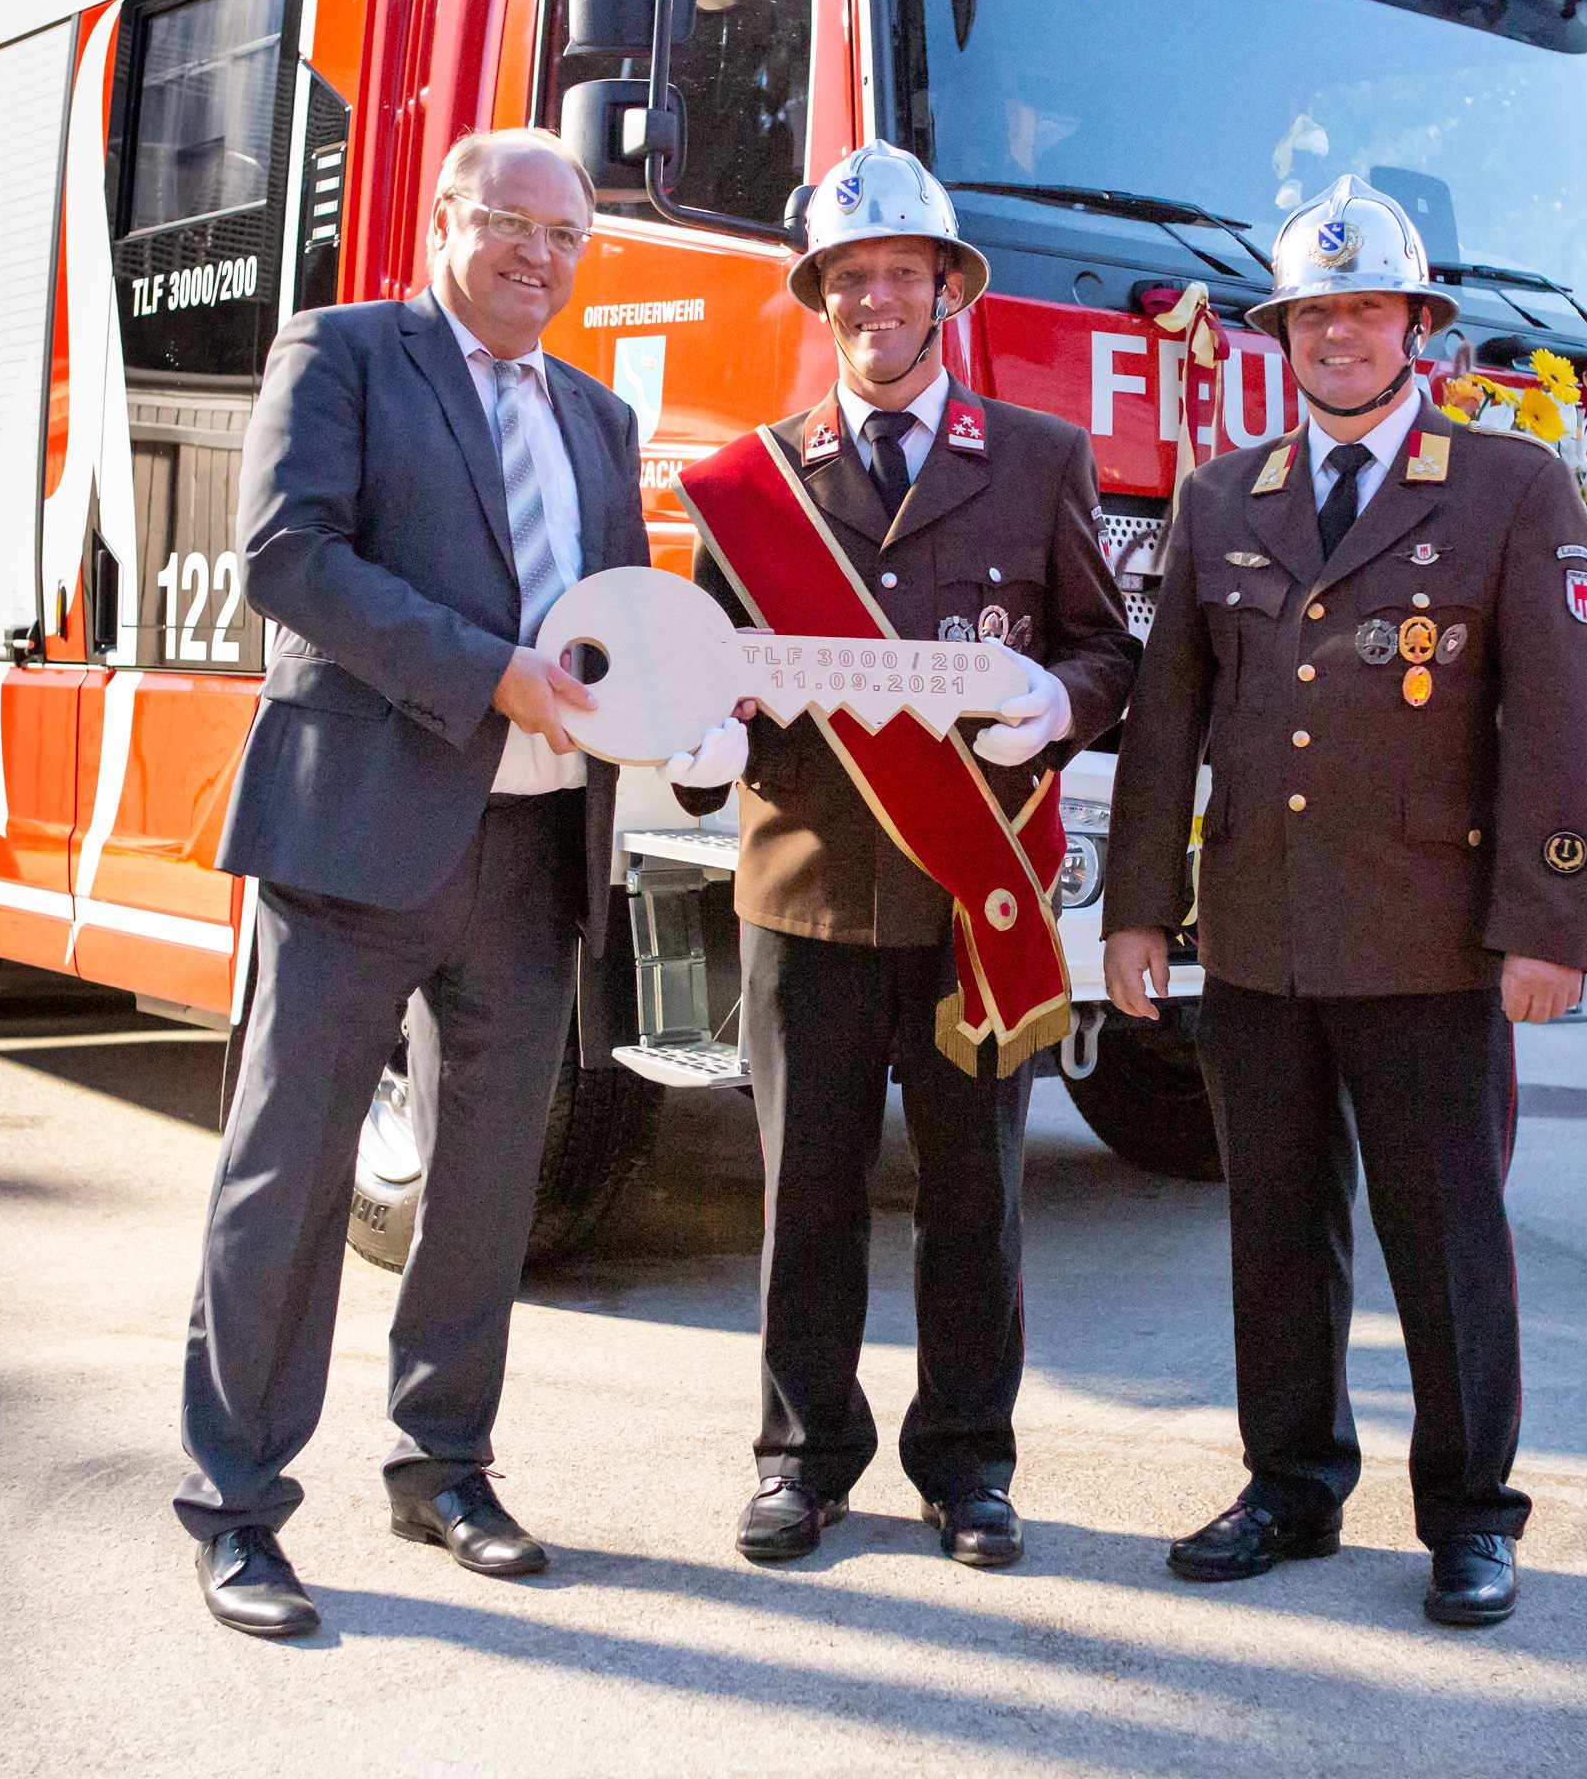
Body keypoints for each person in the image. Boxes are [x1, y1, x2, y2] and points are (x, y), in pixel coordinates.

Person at [1099, 176, 1587, 1627]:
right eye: (1313, 311)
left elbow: (1562, 727)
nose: (1338, 333)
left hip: (1431, 939)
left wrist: (1543, 927)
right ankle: (1290, 1485)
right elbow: (1165, 724)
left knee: (1443, 1234)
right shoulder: (1220, 498)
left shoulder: (1509, 487)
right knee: (1274, 1224)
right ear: (1282, 331)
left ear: (1415, 327)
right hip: (1259, 934)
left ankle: (1467, 1513)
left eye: (1365, 308)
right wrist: (1138, 911)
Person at [176, 128, 649, 1639]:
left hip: (531, 855)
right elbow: (288, 558)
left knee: (486, 1182)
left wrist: (683, 706)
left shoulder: (598, 417)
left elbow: (618, 623)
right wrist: (486, 674)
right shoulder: (345, 353)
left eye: (565, 236)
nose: (538, 255)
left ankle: (443, 1465)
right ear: (445, 221)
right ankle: (236, 1505)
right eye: (510, 223)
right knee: (289, 1174)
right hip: (362, 836)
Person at [666, 141, 1139, 1568]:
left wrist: (1062, 707)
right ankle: (801, 1459)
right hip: (805, 893)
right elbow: (714, 676)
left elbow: (1107, 649)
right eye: (848, 279)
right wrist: (702, 755)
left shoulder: (1041, 460)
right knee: (804, 1198)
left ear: (946, 290)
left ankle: (965, 1466)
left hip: (969, 901)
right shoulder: (753, 486)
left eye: (901, 276)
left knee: (973, 1202)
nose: (876, 301)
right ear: (822, 299)